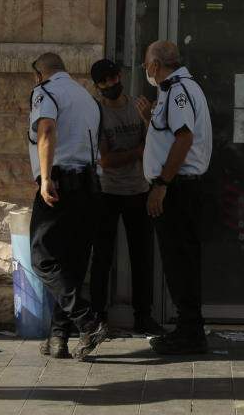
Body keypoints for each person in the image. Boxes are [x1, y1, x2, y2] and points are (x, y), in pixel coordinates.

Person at [27, 53, 107, 361]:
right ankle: (58, 337)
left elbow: (46, 130)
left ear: (39, 74)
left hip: (60, 184)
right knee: (71, 265)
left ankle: (88, 320)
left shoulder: (45, 92)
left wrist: (46, 178)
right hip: (89, 187)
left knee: (42, 259)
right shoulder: (87, 98)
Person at [140, 40, 213, 355]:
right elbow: (169, 136)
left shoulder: (179, 89)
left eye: (146, 63)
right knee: (177, 261)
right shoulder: (171, 91)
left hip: (178, 188)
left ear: (155, 65)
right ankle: (187, 328)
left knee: (180, 260)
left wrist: (161, 185)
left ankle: (190, 332)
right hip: (177, 185)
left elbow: (184, 138)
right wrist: (149, 120)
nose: (146, 69)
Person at [89, 59, 163, 336]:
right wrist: (137, 151)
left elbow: (155, 142)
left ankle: (143, 316)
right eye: (104, 82)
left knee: (141, 257)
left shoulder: (137, 106)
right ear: (97, 86)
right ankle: (98, 318)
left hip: (138, 191)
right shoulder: (98, 114)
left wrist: (147, 124)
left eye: (112, 79)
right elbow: (105, 160)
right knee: (103, 259)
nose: (110, 85)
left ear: (119, 76)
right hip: (107, 192)